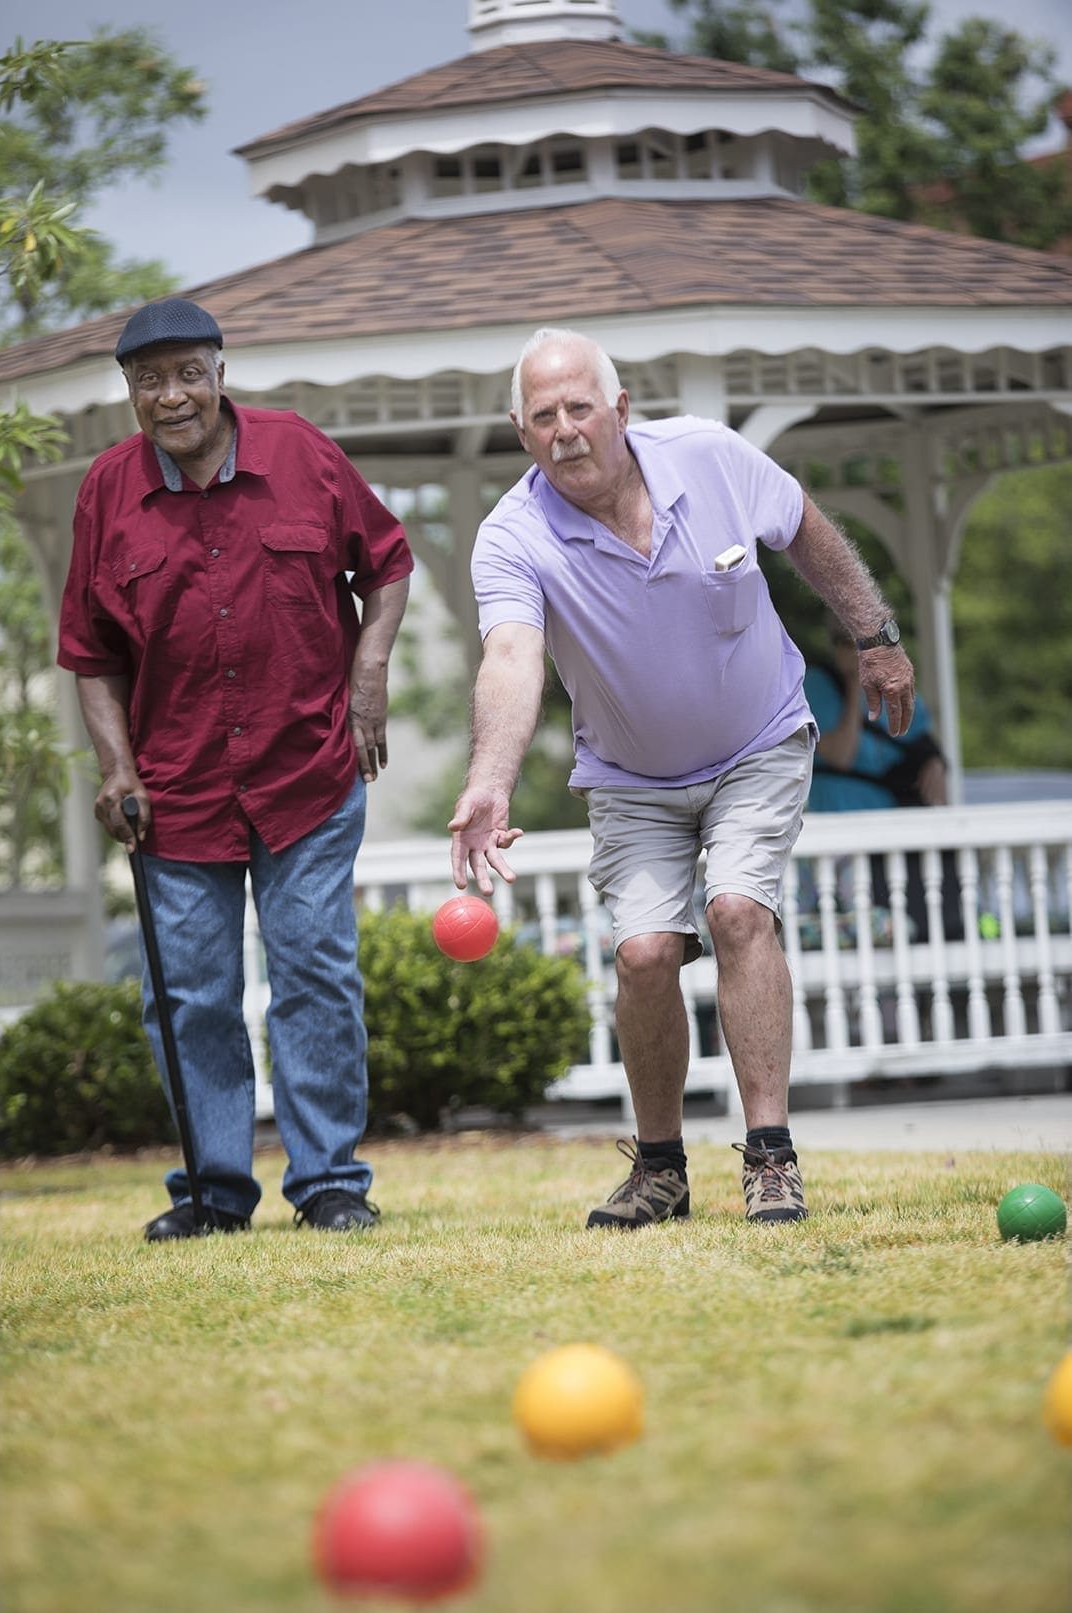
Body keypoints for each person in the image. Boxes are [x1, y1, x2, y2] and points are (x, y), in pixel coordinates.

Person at [448, 327, 916, 1229]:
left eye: (579, 407)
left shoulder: (708, 456)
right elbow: (510, 656)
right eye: (542, 416)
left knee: (738, 909)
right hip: (630, 776)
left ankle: (770, 1156)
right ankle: (659, 1169)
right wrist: (490, 781)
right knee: (643, 953)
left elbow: (803, 527)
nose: (565, 430)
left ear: (619, 410)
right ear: (521, 432)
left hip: (757, 741)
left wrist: (875, 635)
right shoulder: (512, 535)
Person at [58, 298, 413, 1240]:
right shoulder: (105, 491)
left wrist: (368, 675)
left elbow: (386, 564)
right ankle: (212, 1193)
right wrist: (115, 768)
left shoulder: (301, 451)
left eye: (187, 373)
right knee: (187, 996)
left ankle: (330, 1183)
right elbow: (90, 652)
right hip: (174, 794)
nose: (170, 396)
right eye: (148, 380)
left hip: (307, 772)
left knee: (314, 977)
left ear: (221, 373)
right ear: (130, 391)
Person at [804, 621, 962, 941]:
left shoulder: (896, 685)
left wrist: (936, 762)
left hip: (894, 836)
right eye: (846, 642)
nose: (856, 650)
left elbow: (925, 749)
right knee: (868, 934)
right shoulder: (816, 684)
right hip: (841, 843)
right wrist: (853, 683)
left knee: (917, 927)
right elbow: (840, 755)